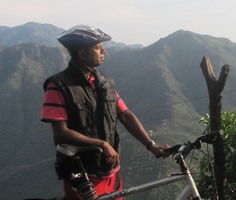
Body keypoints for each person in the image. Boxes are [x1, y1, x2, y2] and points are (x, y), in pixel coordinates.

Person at [40, 25, 169, 200]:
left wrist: (150, 145)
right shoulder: (58, 85)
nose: (103, 52)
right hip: (83, 176)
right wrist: (102, 144)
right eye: (97, 47)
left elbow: (125, 114)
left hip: (111, 173)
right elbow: (61, 133)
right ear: (81, 53)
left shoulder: (104, 81)